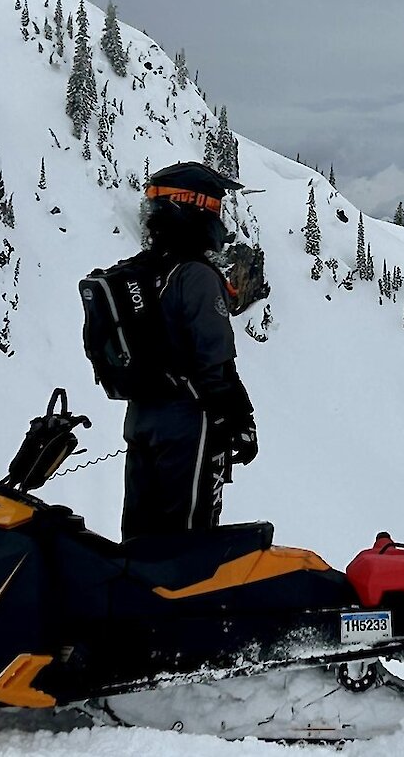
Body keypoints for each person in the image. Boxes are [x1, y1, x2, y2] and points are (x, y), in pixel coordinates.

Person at [112, 161, 257, 539]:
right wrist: (239, 420)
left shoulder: (138, 272)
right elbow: (215, 360)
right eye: (215, 207)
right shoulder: (195, 276)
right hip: (190, 425)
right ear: (195, 208)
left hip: (143, 420)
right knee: (190, 543)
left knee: (140, 540)